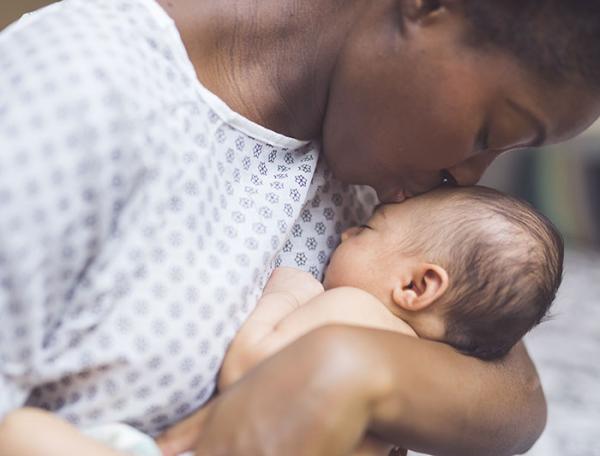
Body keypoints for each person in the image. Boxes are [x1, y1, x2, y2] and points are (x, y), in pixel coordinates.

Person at [1, 0, 599, 454]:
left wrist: (352, 369)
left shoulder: (381, 167)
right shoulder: (80, 90)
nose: (468, 176)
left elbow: (516, 395)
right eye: (484, 134)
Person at [0, 185, 563, 456]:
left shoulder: (356, 312)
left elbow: (248, 367)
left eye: (368, 230)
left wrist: (288, 290)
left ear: (416, 287)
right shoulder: (431, 372)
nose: (345, 232)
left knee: (21, 433)